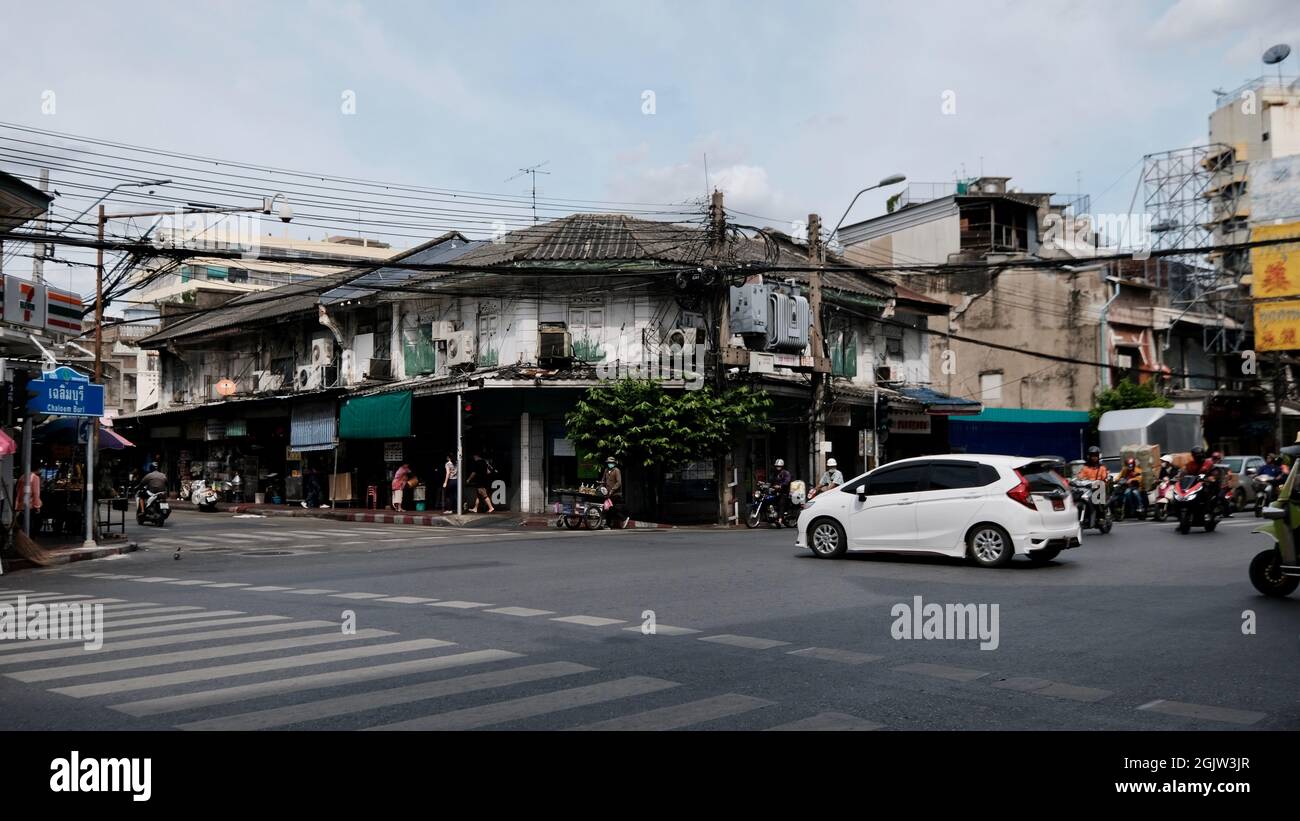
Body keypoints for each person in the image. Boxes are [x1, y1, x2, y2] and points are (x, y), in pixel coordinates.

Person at [14, 465, 42, 534]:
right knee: (32, 526)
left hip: (21, 504)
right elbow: (36, 493)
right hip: (31, 505)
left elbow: (17, 490)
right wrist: (37, 506)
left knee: (23, 525)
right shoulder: (35, 478)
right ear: (38, 469)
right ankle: (29, 542)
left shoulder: (22, 476)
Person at [600, 456, 626, 528]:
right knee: (609, 508)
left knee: (611, 509)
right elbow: (603, 480)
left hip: (616, 493)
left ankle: (620, 519)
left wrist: (613, 489)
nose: (610, 464)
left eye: (611, 463)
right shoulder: (606, 470)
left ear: (614, 463)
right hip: (608, 493)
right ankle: (610, 524)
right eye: (609, 463)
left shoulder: (616, 470)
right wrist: (601, 486)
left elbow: (619, 482)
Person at [771, 457, 793, 527]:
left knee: (781, 504)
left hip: (784, 492)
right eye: (777, 466)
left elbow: (787, 481)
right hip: (776, 492)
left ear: (782, 466)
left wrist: (780, 486)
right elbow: (771, 480)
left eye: (779, 466)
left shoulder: (786, 473)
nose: (778, 467)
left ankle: (780, 521)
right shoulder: (775, 473)